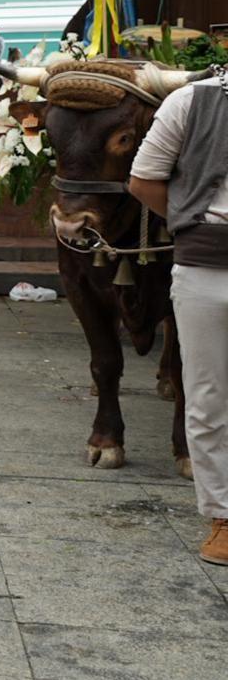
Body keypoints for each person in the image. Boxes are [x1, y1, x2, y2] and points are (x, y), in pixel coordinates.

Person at [129, 66, 228, 565]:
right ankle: (223, 516)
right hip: (207, 264)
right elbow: (143, 180)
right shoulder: (191, 102)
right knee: (209, 392)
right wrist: (191, 222)